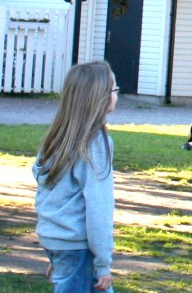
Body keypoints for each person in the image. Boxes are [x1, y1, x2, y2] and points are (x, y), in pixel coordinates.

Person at [33, 61, 118, 293]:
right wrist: (103, 263)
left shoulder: (57, 138)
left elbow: (46, 192)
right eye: (114, 90)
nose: (116, 95)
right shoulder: (97, 144)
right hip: (76, 246)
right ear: (99, 97)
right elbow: (99, 207)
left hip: (55, 238)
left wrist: (58, 257)